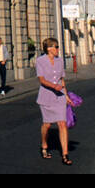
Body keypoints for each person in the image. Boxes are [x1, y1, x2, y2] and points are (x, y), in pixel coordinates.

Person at [35, 36, 72, 164]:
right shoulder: (40, 61)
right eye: (56, 47)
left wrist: (66, 95)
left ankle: (65, 154)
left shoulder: (60, 61)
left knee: (62, 123)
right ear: (49, 48)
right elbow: (42, 80)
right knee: (47, 124)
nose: (58, 49)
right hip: (46, 96)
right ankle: (44, 144)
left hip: (59, 96)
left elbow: (62, 79)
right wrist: (54, 86)